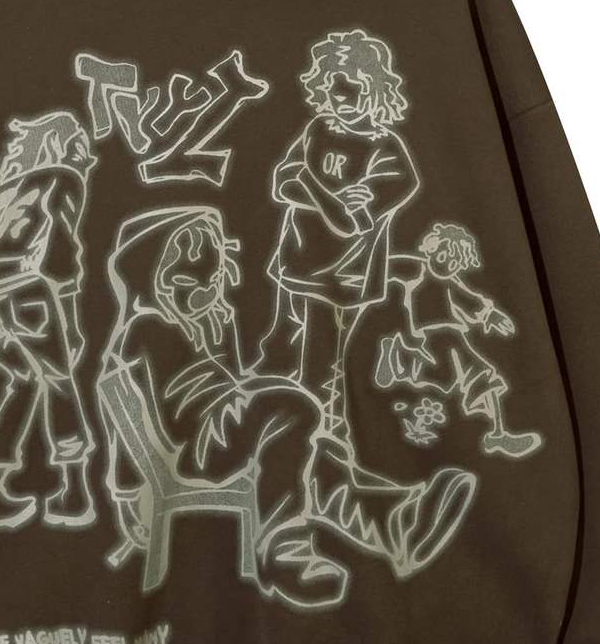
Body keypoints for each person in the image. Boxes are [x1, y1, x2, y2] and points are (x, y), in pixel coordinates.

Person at [100, 205, 476, 610]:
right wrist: (128, 496)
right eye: (189, 253)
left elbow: (231, 390)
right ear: (153, 271)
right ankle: (282, 548)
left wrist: (223, 337)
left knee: (314, 452)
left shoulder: (207, 325)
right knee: (291, 407)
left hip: (216, 436)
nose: (210, 266)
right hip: (195, 448)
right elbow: (140, 419)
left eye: (211, 251)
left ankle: (397, 522)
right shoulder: (147, 327)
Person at [0, 111, 99, 538]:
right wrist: (71, 320)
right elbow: (62, 252)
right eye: (78, 144)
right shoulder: (62, 178)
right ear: (60, 146)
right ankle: (74, 490)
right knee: (59, 382)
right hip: (24, 294)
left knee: (24, 382)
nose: (84, 153)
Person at [259, 28, 420, 437]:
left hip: (344, 279)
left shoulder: (389, 154)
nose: (341, 102)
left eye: (353, 93)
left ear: (375, 90)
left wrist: (307, 182)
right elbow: (280, 184)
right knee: (291, 358)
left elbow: (350, 225)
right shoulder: (317, 129)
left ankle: (321, 440)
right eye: (333, 93)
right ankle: (309, 436)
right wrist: (331, 197)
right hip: (296, 264)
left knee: (326, 367)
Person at [374, 222, 543, 458]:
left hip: (451, 340)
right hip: (432, 339)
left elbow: (470, 299)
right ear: (432, 249)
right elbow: (385, 263)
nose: (448, 265)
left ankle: (498, 434)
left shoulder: (451, 283)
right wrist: (370, 264)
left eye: (455, 263)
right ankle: (397, 357)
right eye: (444, 256)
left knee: (477, 377)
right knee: (460, 375)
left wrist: (489, 314)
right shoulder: (416, 271)